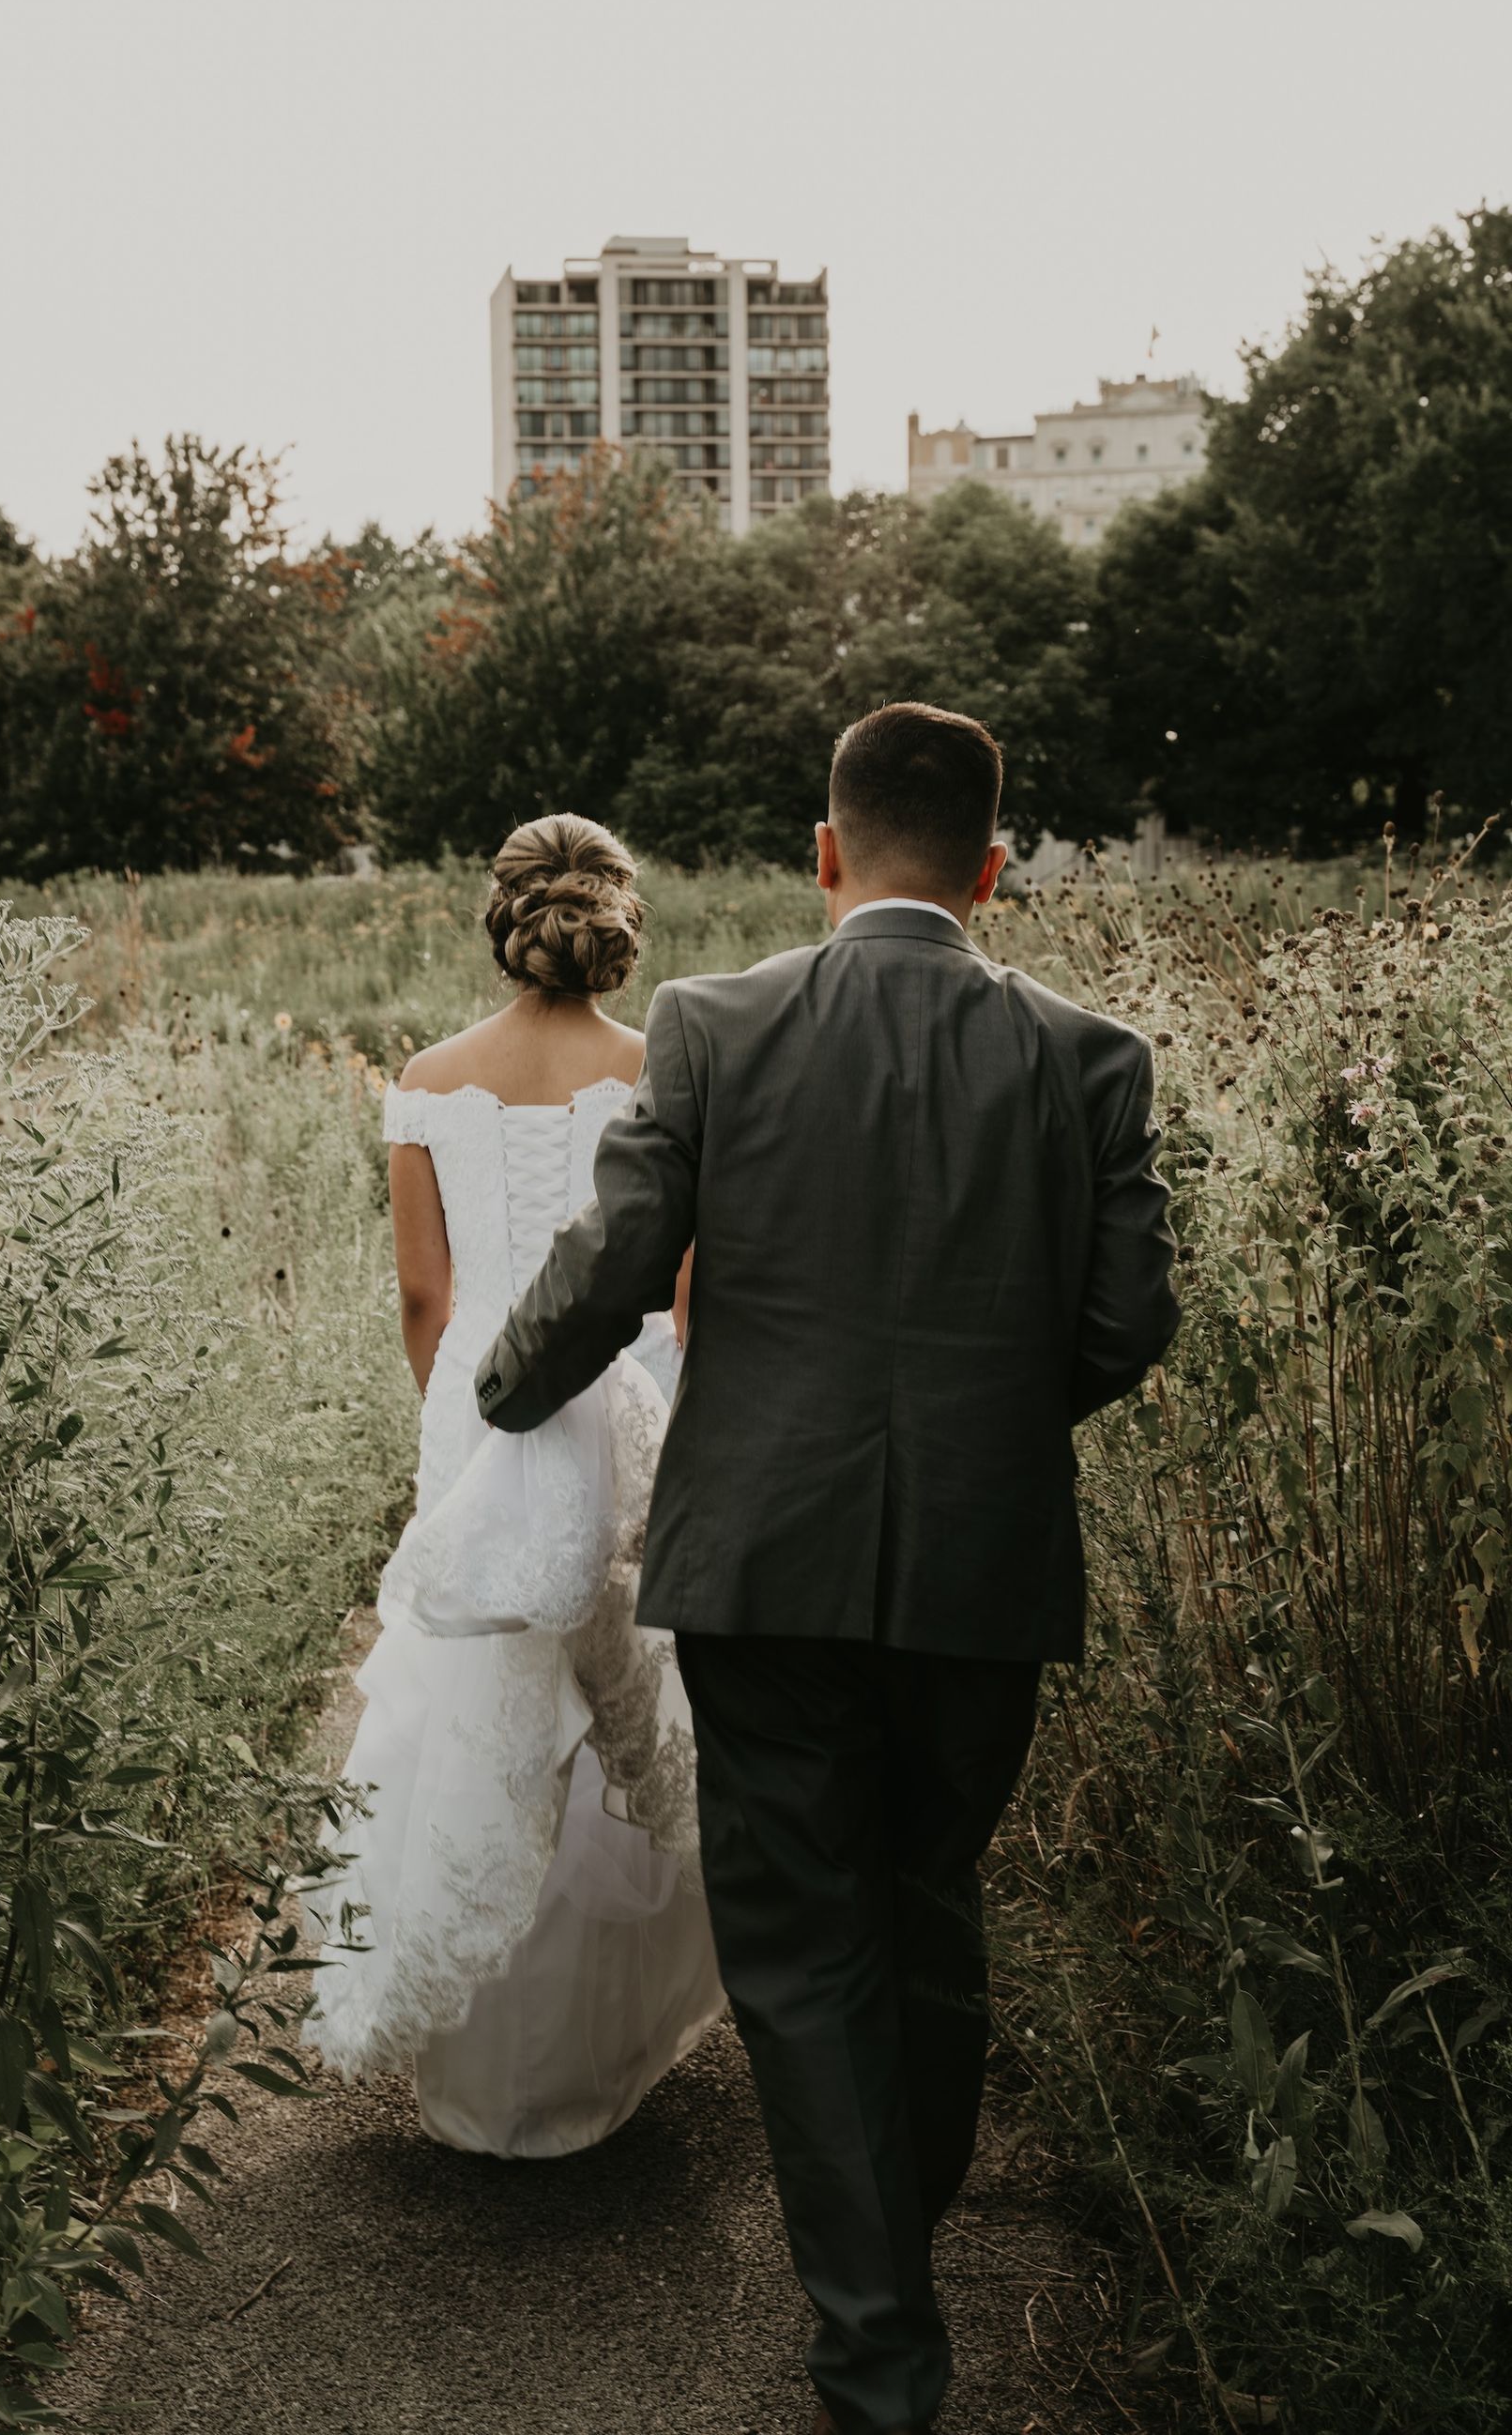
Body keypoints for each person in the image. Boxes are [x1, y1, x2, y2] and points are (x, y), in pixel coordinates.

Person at [476, 703, 1180, 2434]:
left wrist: (504, 1394)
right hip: (979, 1567)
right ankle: (893, 2247)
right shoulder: (1095, 1061)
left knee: (800, 1951)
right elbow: (1124, 1326)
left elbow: (616, 1262)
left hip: (765, 1560)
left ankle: (878, 2353)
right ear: (993, 871)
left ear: (823, 852)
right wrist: (989, 1431)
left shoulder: (715, 1028)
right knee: (924, 1906)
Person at [301, 813, 724, 2158]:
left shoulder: (427, 1079)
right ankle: (602, 2052)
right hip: (635, 1397)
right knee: (627, 1687)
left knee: (482, 1698)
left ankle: (481, 2079)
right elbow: (684, 1292)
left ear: (504, 917)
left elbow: (426, 1296)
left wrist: (467, 1425)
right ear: (619, 920)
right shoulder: (665, 1069)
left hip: (480, 1404)